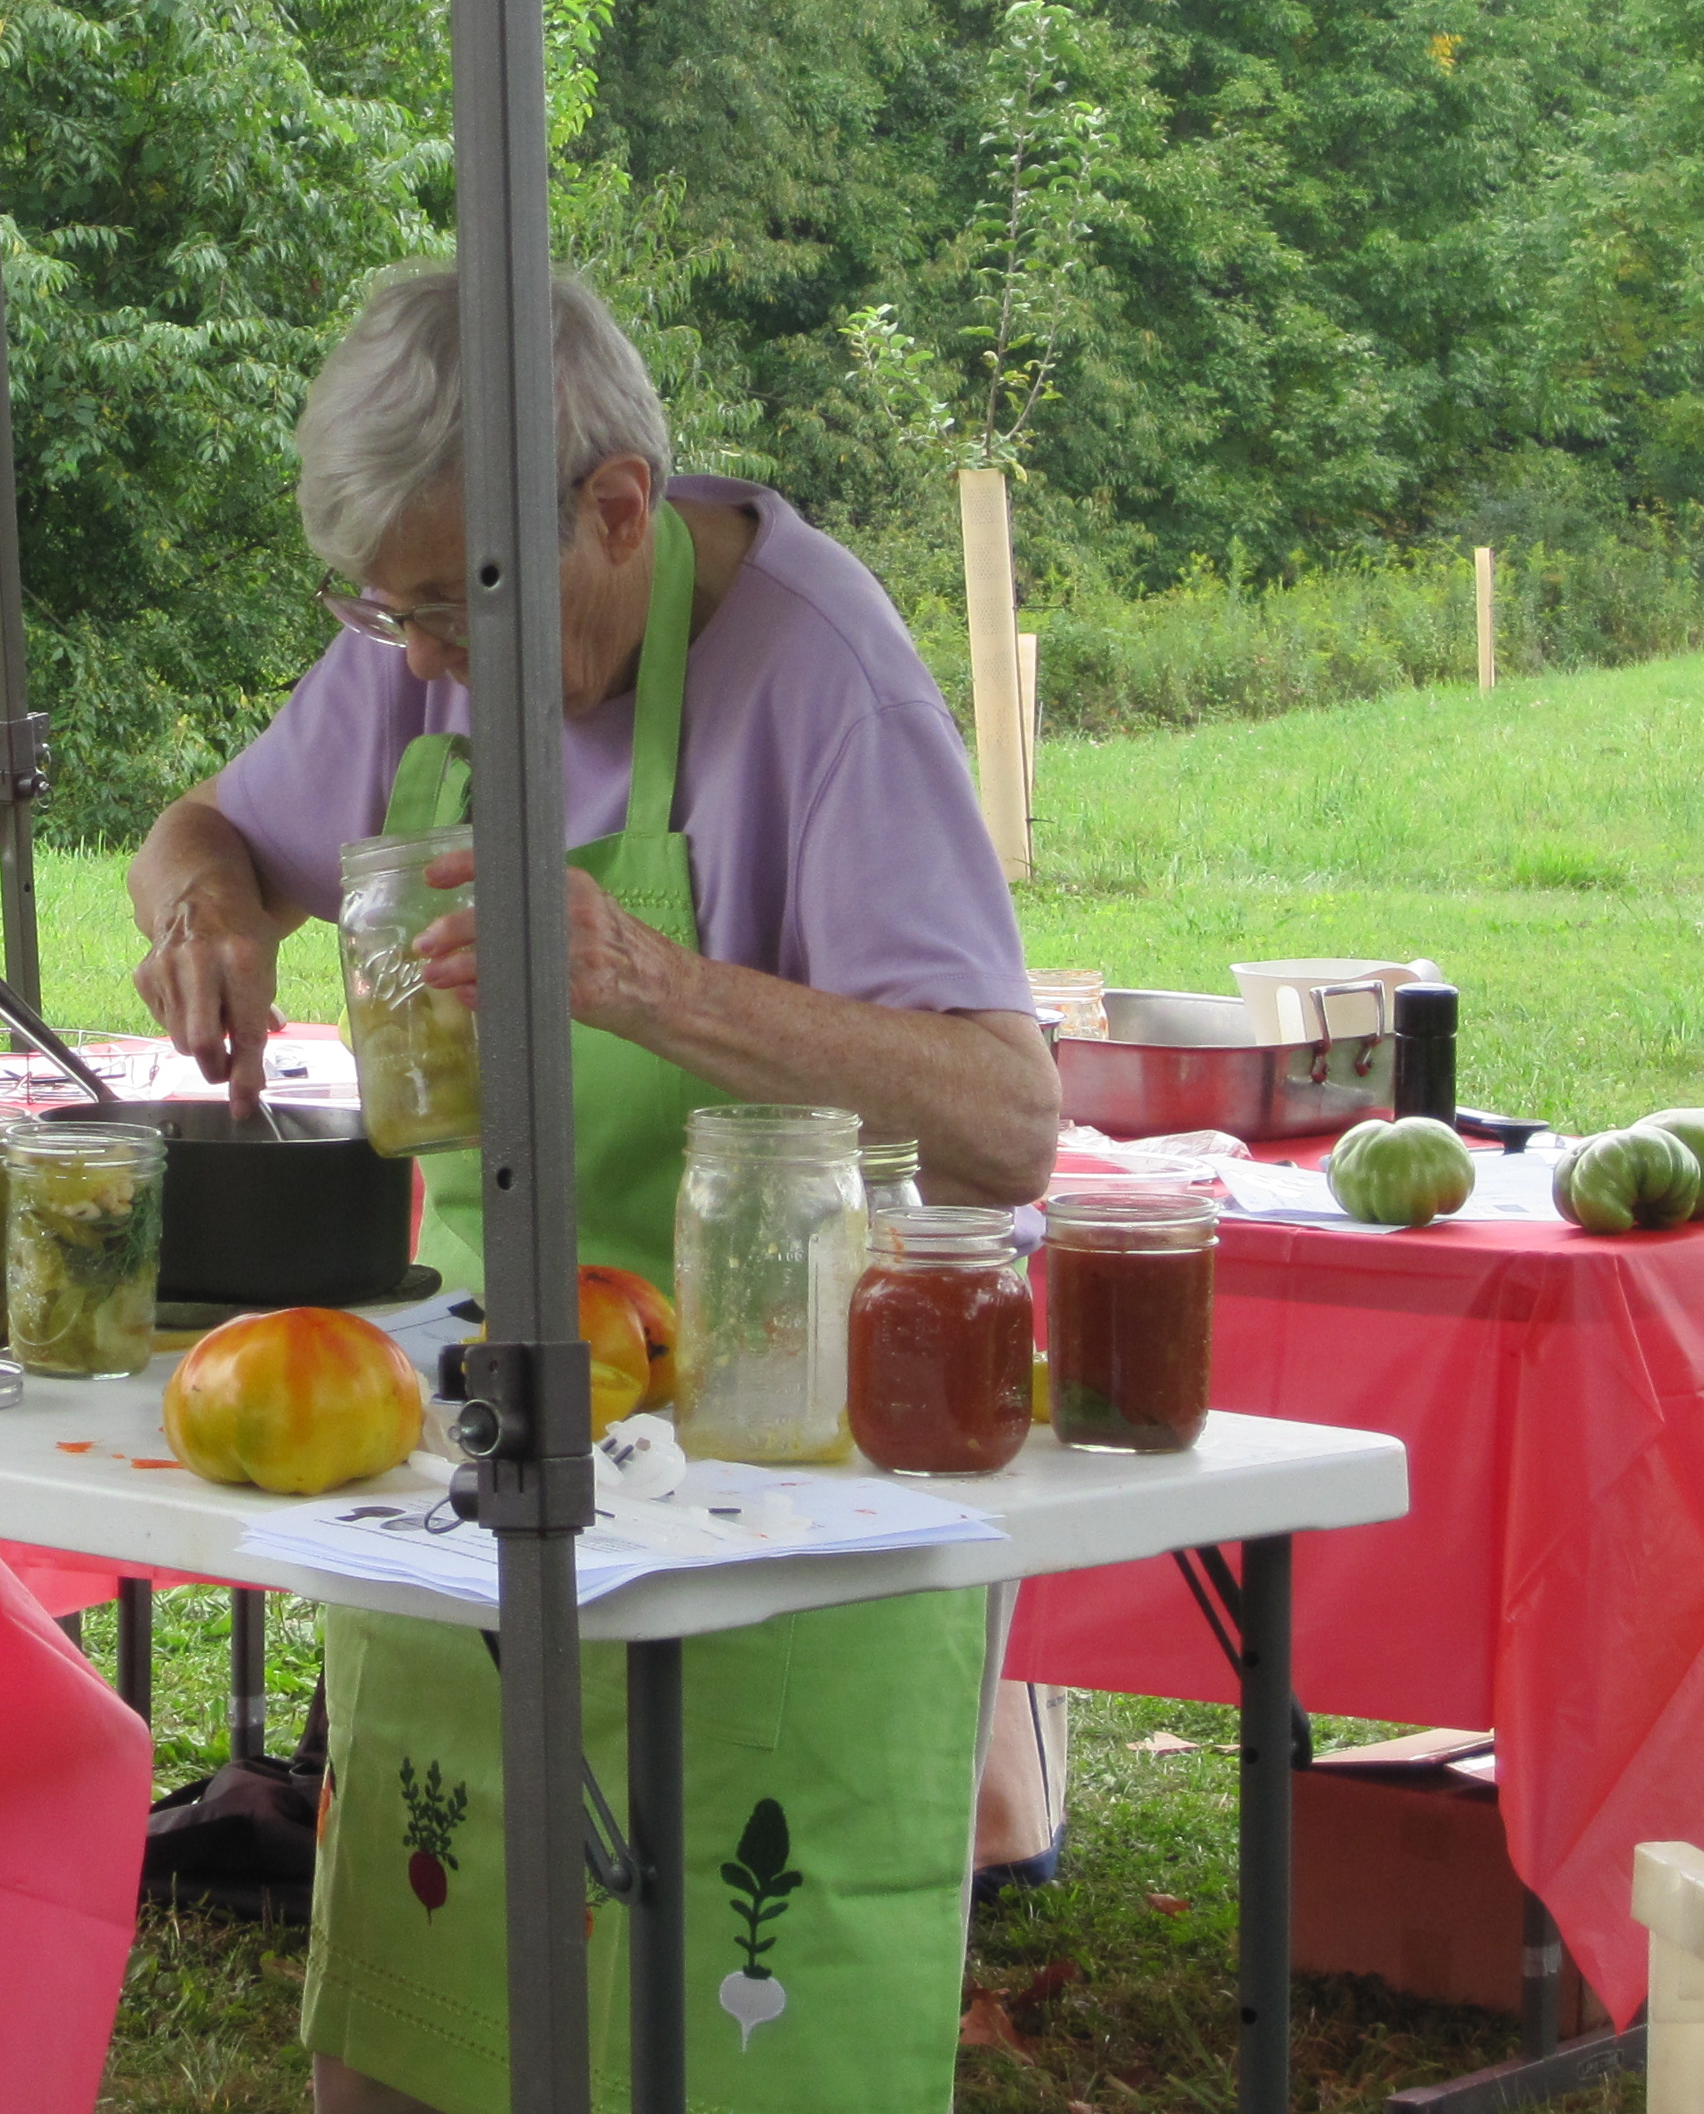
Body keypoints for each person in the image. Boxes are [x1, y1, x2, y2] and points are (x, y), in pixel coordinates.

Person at [128, 261, 1054, 2114]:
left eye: (444, 605)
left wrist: (642, 980)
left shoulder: (821, 677)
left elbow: (1008, 1121)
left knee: (718, 2050)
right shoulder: (440, 636)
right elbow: (208, 826)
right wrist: (206, 906)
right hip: (490, 1424)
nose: (410, 666)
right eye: (378, 611)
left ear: (616, 510)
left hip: (783, 1470)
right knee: (407, 2037)